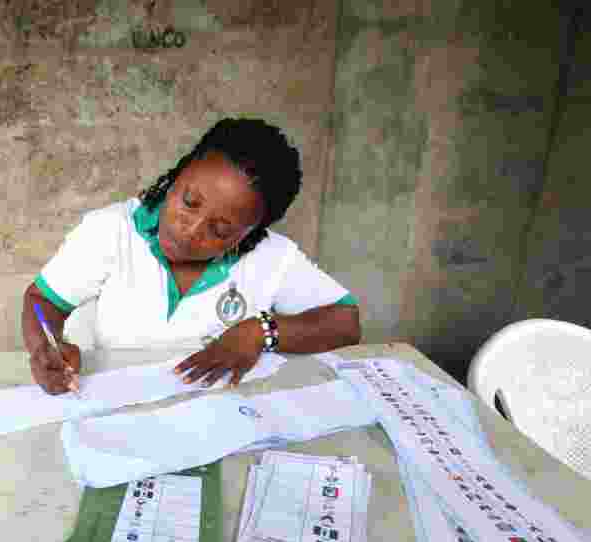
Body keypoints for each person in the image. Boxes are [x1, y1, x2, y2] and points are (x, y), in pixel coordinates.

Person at [22, 117, 361, 395]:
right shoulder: (111, 230)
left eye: (221, 230)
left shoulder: (273, 257)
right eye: (189, 202)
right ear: (175, 177)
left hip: (215, 417)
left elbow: (346, 323)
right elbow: (42, 299)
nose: (190, 230)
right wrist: (45, 347)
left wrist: (260, 331)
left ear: (251, 234)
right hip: (112, 403)